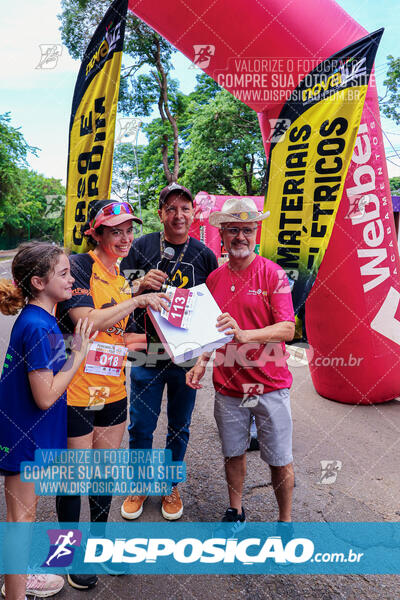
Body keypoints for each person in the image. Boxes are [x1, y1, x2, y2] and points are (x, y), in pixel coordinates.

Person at [56, 200, 168, 590]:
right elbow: (85, 322)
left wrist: (175, 342)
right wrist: (137, 298)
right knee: (73, 478)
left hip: (113, 390)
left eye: (129, 230)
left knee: (103, 475)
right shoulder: (79, 266)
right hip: (74, 390)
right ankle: (66, 555)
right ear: (97, 233)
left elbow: (118, 335)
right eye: (115, 230)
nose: (125, 238)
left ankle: (99, 548)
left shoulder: (119, 274)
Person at [186, 197, 296, 524]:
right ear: (221, 232)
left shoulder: (273, 274)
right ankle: (235, 510)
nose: (240, 237)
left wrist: (246, 335)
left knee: (279, 459)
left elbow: (288, 328)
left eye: (247, 229)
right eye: (233, 229)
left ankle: (285, 521)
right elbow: (210, 331)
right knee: (232, 453)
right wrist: (201, 361)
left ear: (256, 231)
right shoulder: (214, 280)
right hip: (229, 386)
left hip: (270, 385)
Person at [0, 242, 95, 600]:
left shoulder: (42, 319)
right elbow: (45, 394)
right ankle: (15, 593)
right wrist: (78, 356)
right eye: (65, 273)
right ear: (39, 282)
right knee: (20, 523)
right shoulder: (38, 325)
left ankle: (18, 581)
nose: (73, 279)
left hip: (29, 435)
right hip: (25, 438)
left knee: (24, 515)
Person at [120, 183, 218, 521]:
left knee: (180, 425)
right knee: (141, 426)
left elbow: (214, 311)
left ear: (193, 213)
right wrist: (140, 284)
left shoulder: (205, 255)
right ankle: (138, 483)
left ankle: (170, 484)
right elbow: (120, 293)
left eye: (185, 209)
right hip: (146, 351)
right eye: (171, 208)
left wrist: (205, 356)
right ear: (160, 213)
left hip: (186, 356)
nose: (178, 215)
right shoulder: (141, 247)